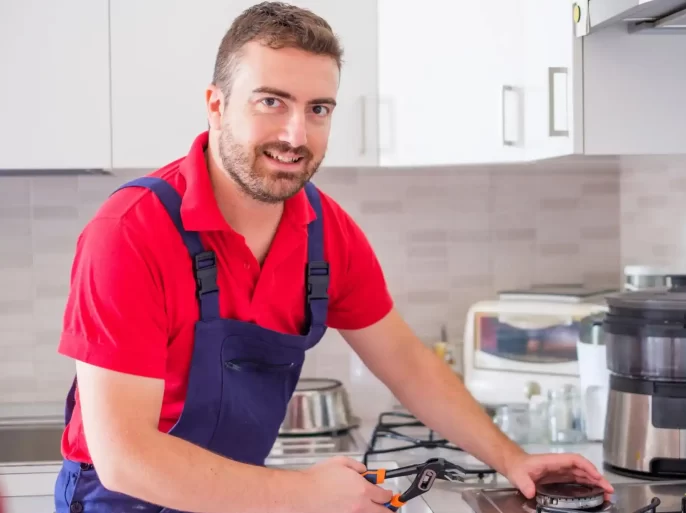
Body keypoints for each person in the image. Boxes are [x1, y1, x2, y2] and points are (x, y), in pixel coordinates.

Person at [52, 2, 614, 513]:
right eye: (271, 102)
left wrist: (510, 458)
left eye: (318, 108)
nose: (295, 134)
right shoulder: (130, 233)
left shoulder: (326, 232)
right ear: (216, 106)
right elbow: (124, 457)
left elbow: (406, 361)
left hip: (231, 496)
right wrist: (303, 492)